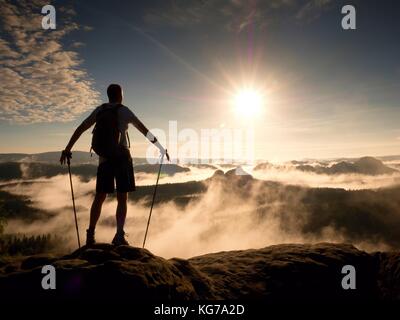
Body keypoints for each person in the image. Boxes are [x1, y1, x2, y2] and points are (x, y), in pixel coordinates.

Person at [60, 84, 169, 246]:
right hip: (122, 157)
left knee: (100, 197)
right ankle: (119, 235)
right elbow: (144, 130)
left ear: (108, 95)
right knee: (122, 198)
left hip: (104, 159)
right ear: (120, 95)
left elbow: (81, 128)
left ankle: (90, 234)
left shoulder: (100, 110)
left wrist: (68, 148)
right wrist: (160, 147)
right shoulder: (124, 111)